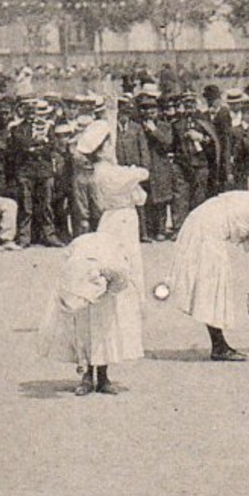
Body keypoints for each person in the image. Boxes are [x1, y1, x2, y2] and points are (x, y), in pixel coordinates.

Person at [166, 190, 249, 361]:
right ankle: (219, 347)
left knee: (213, 285)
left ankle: (219, 345)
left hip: (201, 222)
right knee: (215, 285)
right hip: (207, 229)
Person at [73, 112, 150, 373]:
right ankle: (97, 362)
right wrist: (124, 169)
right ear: (103, 148)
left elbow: (140, 197)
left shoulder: (106, 171)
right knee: (116, 281)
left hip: (120, 221)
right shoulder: (109, 173)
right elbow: (143, 174)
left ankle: (104, 364)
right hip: (119, 224)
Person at [39, 230, 134, 395]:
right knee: (82, 333)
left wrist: (105, 290)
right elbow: (67, 290)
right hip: (81, 279)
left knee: (104, 332)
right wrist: (82, 296)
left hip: (106, 289)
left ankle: (103, 378)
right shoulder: (73, 269)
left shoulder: (115, 265)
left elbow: (121, 282)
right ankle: (87, 377)